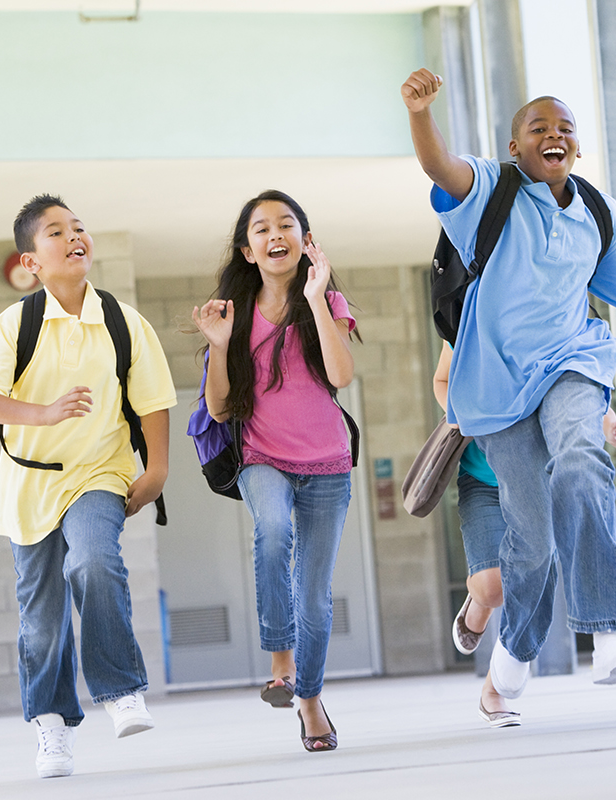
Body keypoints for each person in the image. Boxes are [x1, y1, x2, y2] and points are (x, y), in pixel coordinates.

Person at [401, 69, 616, 707]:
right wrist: (421, 114)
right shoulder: (489, 192)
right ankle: (514, 652)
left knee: (582, 462)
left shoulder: (597, 213)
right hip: (496, 388)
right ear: (515, 147)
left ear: (577, 148)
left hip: (571, 360)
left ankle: (610, 632)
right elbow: (439, 166)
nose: (553, 136)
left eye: (565, 130)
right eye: (539, 129)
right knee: (530, 540)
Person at [0, 195, 176, 779]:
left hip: (99, 472)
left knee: (91, 561)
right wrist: (44, 413)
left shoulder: (122, 321)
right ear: (31, 261)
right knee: (41, 615)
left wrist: (155, 470)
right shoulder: (15, 323)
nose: (73, 237)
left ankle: (120, 690)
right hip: (30, 485)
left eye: (78, 228)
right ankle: (52, 728)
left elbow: (154, 401)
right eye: (56, 232)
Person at [192, 190, 358, 753]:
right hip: (262, 457)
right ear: (247, 250)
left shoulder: (325, 301)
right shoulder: (234, 317)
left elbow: (340, 376)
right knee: (273, 532)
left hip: (328, 464)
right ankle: (280, 661)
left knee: (315, 597)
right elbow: (218, 408)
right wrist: (218, 346)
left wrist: (316, 297)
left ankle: (309, 700)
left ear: (304, 241)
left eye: (286, 224)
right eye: (261, 229)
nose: (274, 234)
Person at [432, 342, 616, 728]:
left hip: (539, 483)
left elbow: (572, 387)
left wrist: (610, 425)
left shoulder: (548, 320)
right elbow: (443, 380)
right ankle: (477, 606)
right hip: (485, 481)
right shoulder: (468, 315)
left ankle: (494, 690)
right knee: (493, 588)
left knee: (535, 561)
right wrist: (461, 414)